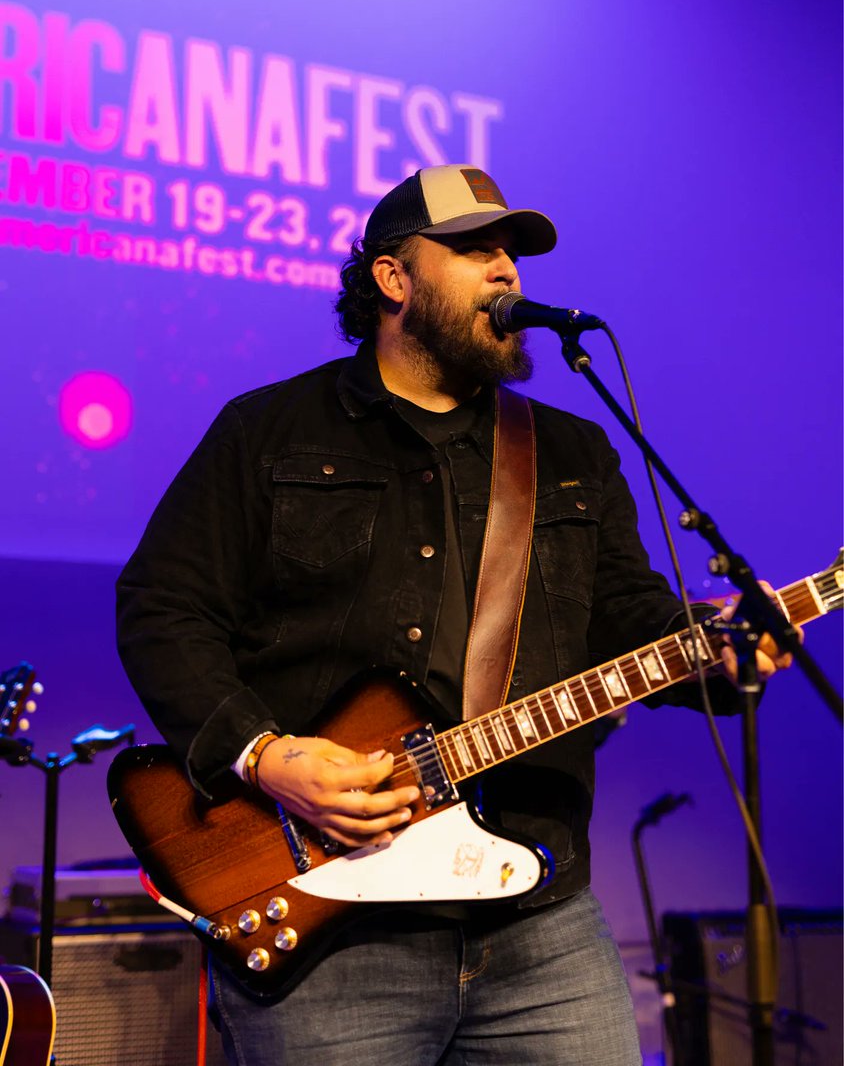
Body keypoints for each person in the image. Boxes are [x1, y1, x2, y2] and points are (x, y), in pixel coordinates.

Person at [116, 164, 790, 1065]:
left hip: (538, 917)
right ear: (393, 277)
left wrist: (716, 653)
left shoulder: (571, 450)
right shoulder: (268, 432)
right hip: (333, 926)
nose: (506, 269)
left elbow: (627, 618)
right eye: (475, 249)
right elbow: (163, 608)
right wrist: (267, 755)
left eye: (510, 251)